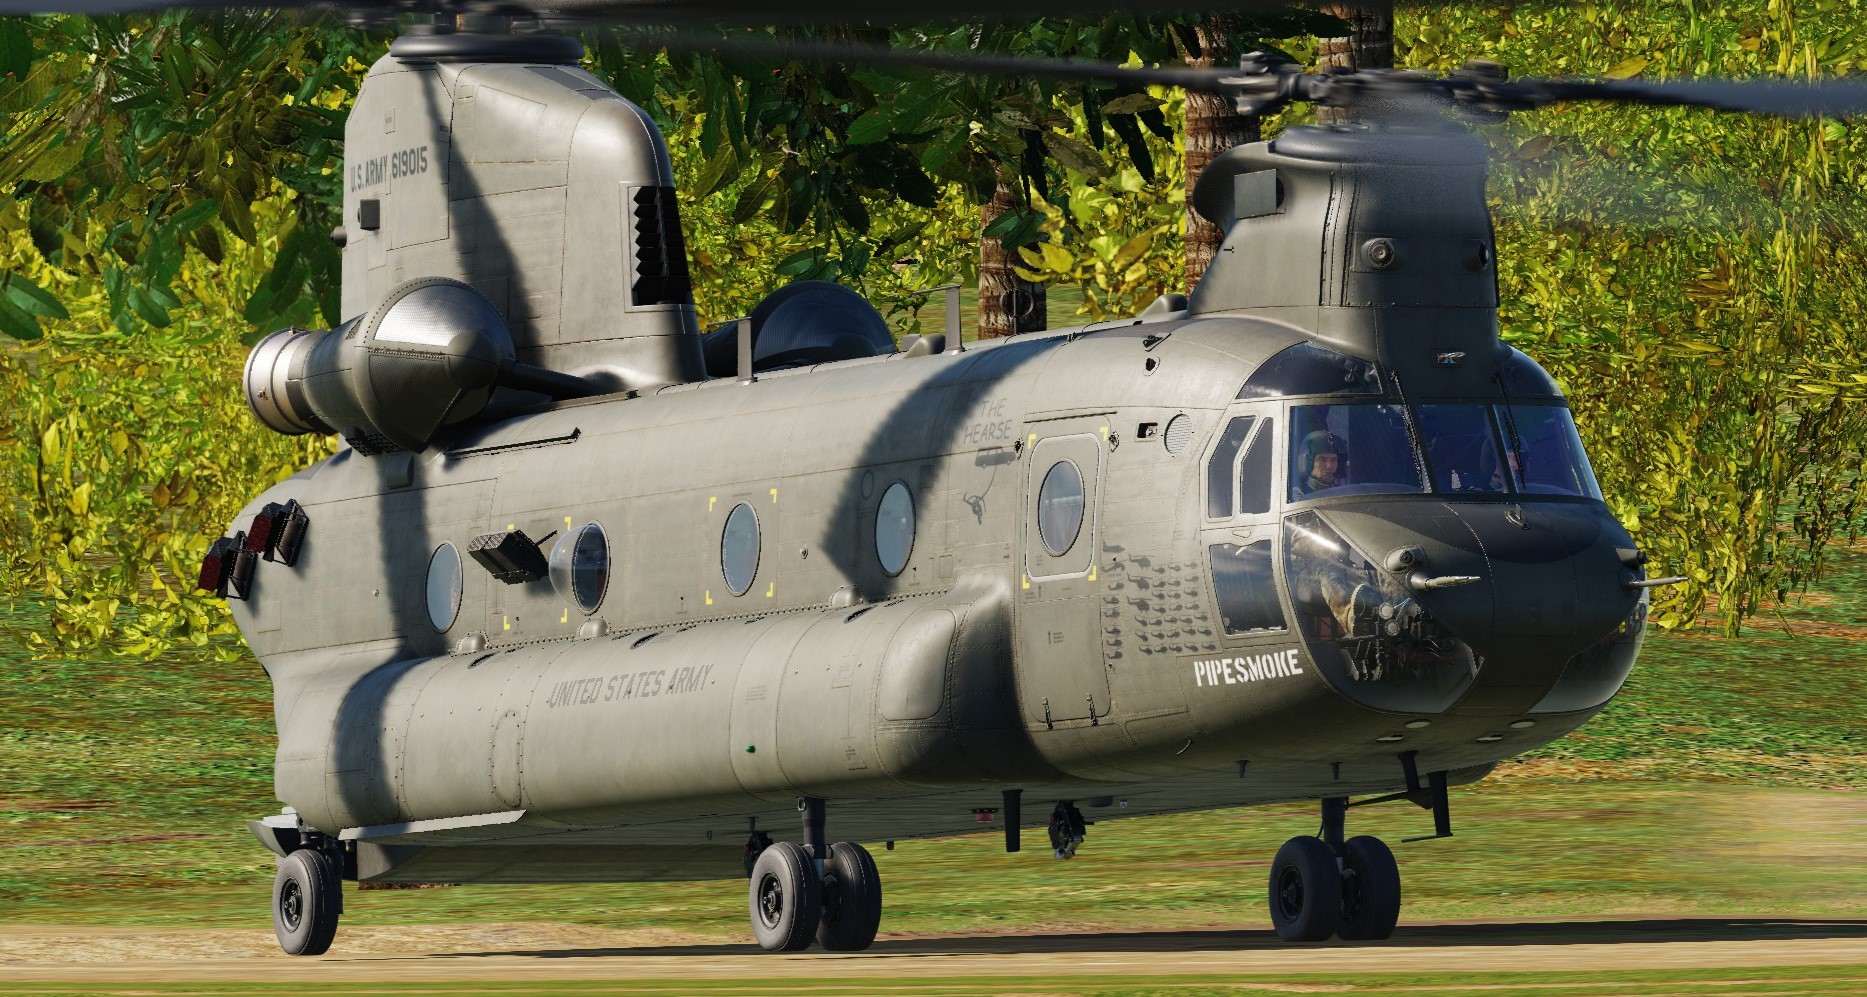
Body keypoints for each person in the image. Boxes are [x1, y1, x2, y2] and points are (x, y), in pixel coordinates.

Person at [1298, 430, 1348, 495]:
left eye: (1333, 460)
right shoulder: (1298, 497)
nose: (1329, 466)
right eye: (1322, 460)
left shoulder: (1344, 494)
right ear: (1308, 463)